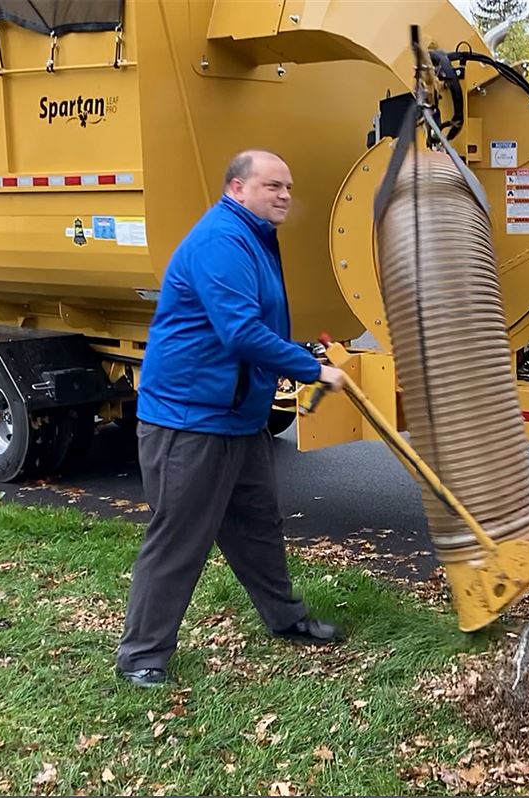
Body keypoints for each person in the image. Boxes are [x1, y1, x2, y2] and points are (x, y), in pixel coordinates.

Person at [115, 150, 347, 688]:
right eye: (272, 186)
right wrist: (312, 370)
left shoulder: (255, 238)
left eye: (289, 186)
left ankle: (285, 619)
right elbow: (239, 332)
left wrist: (296, 354)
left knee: (257, 526)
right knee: (179, 537)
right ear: (237, 188)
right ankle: (142, 656)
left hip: (236, 418)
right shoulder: (224, 239)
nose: (285, 194)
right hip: (190, 421)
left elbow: (255, 325)